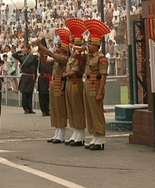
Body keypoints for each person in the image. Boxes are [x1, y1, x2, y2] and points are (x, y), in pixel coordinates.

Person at [36, 29, 70, 144]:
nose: (57, 48)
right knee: (55, 109)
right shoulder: (57, 58)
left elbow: (51, 55)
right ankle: (57, 133)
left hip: (60, 83)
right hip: (54, 83)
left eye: (59, 46)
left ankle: (61, 135)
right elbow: (45, 62)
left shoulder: (63, 58)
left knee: (60, 109)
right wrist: (41, 53)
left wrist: (42, 46)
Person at [83, 19, 110, 150]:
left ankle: (100, 137)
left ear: (96, 45)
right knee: (89, 110)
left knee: (97, 111)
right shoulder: (89, 56)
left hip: (96, 83)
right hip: (88, 83)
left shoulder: (101, 58)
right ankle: (94, 134)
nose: (88, 45)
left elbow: (103, 75)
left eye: (90, 43)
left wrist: (100, 91)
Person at [64, 18, 87, 146]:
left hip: (76, 83)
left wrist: (64, 75)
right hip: (69, 83)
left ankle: (81, 134)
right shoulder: (72, 57)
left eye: (74, 44)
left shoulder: (79, 57)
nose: (72, 47)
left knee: (78, 108)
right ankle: (75, 131)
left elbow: (75, 71)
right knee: (71, 108)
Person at [12, 42, 39, 114]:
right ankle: (25, 108)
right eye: (24, 48)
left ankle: (30, 108)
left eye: (26, 48)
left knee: (30, 93)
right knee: (25, 94)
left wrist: (35, 77)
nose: (25, 49)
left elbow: (35, 68)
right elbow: (14, 55)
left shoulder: (33, 57)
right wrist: (21, 51)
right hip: (25, 76)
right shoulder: (22, 57)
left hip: (31, 77)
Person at [37, 38, 53, 116]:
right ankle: (43, 110)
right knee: (42, 95)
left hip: (49, 79)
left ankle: (48, 109)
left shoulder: (50, 60)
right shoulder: (38, 60)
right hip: (42, 79)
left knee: (48, 95)